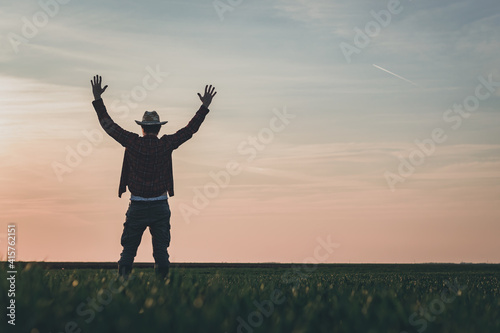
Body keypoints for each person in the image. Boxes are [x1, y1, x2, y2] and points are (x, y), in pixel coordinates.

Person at [90, 75, 216, 278]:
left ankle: (121, 285)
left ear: (142, 127)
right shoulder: (165, 144)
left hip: (137, 206)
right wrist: (204, 107)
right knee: (161, 253)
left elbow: (108, 126)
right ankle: (162, 291)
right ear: (158, 128)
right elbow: (189, 130)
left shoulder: (132, 142)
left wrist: (97, 98)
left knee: (128, 251)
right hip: (160, 206)